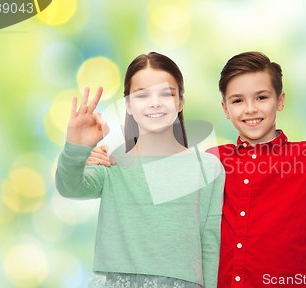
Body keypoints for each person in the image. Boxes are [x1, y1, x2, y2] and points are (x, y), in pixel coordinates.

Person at [88, 51, 306, 288]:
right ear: (225, 108)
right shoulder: (211, 162)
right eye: (238, 100)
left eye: (262, 97)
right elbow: (145, 193)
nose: (250, 109)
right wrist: (105, 159)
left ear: (280, 100)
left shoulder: (305, 156)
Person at [55, 52, 224, 288]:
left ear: (181, 102)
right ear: (128, 105)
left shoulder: (206, 167)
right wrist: (77, 147)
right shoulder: (110, 165)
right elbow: (68, 186)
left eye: (166, 93)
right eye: (142, 95)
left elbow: (210, 243)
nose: (155, 102)